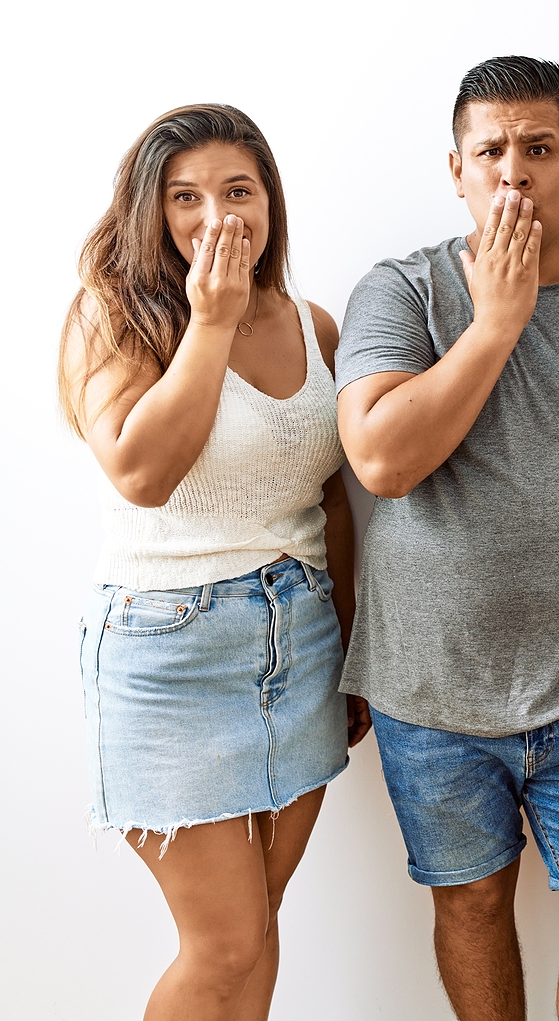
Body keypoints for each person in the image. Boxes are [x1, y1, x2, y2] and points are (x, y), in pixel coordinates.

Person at [335, 56, 559, 1021]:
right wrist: (497, 324)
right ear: (454, 169)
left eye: (538, 148)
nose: (514, 174)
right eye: (490, 151)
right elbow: (380, 462)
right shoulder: (400, 290)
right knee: (471, 901)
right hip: (430, 682)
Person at [60, 104, 365, 1021]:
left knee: (257, 929)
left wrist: (352, 649)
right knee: (224, 944)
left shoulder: (316, 326)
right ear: (151, 212)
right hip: (170, 654)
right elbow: (143, 473)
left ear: (271, 201)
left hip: (301, 638)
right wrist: (211, 322)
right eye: (185, 197)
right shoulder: (116, 318)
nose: (215, 215)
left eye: (238, 190)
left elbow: (337, 498)